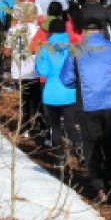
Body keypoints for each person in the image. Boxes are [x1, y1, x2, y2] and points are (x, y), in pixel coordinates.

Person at [61, 9, 111, 204]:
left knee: (91, 144)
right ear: (102, 30)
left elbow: (67, 79)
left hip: (88, 104)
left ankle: (100, 186)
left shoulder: (76, 51)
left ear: (83, 32)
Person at [34, 17, 78, 162]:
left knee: (55, 127)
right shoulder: (72, 47)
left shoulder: (44, 48)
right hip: (70, 92)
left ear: (51, 31)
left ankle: (60, 157)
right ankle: (80, 150)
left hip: (51, 93)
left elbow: (43, 71)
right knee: (71, 125)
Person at [4, 0, 42, 135]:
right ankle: (39, 125)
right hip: (35, 70)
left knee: (24, 100)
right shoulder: (38, 31)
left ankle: (25, 126)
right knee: (37, 100)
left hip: (20, 70)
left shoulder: (13, 30)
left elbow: (6, 51)